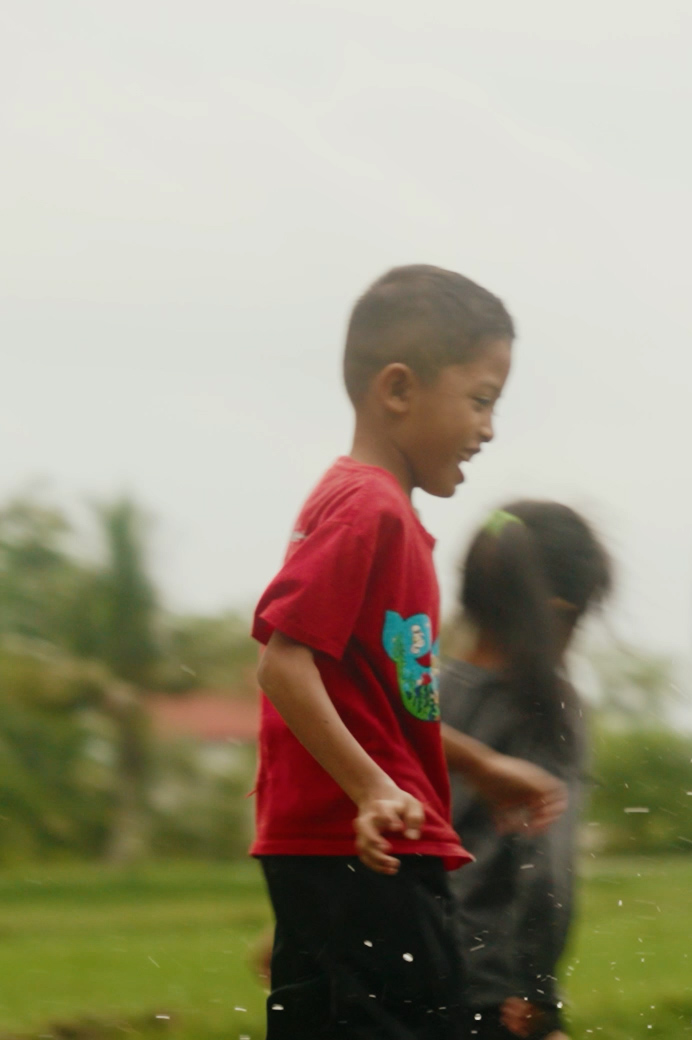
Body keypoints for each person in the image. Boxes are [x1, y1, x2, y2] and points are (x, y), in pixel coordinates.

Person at [251, 264, 557, 1039]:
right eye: (480, 400)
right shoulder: (369, 511)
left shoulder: (364, 508)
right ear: (398, 391)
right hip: (371, 845)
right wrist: (371, 790)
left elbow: (373, 703)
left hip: (343, 836)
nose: (488, 428)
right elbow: (283, 662)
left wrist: (481, 766)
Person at [441, 502, 613, 1040]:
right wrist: (536, 987)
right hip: (492, 982)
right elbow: (546, 866)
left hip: (407, 960)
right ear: (559, 611)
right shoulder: (547, 706)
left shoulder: (420, 697)